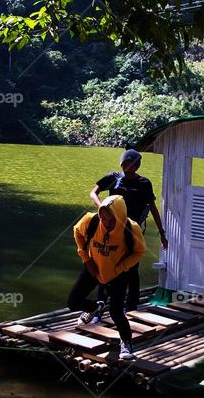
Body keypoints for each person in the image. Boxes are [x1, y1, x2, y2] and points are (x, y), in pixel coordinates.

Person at [67, 195, 146, 360]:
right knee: (73, 302)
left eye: (111, 220)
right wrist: (86, 258)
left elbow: (140, 251)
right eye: (103, 218)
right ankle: (94, 307)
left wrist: (122, 268)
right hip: (93, 268)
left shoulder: (131, 229)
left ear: (120, 217)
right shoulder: (91, 221)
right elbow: (77, 232)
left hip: (117, 273)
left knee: (116, 312)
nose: (106, 223)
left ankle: (126, 344)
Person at [89, 149, 167, 313]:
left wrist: (162, 233)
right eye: (124, 164)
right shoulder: (113, 178)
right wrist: (102, 209)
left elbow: (153, 208)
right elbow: (93, 192)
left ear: (137, 166)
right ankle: (101, 303)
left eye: (131, 165)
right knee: (106, 263)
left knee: (132, 267)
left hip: (132, 230)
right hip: (111, 228)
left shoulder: (144, 184)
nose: (127, 167)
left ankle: (132, 305)